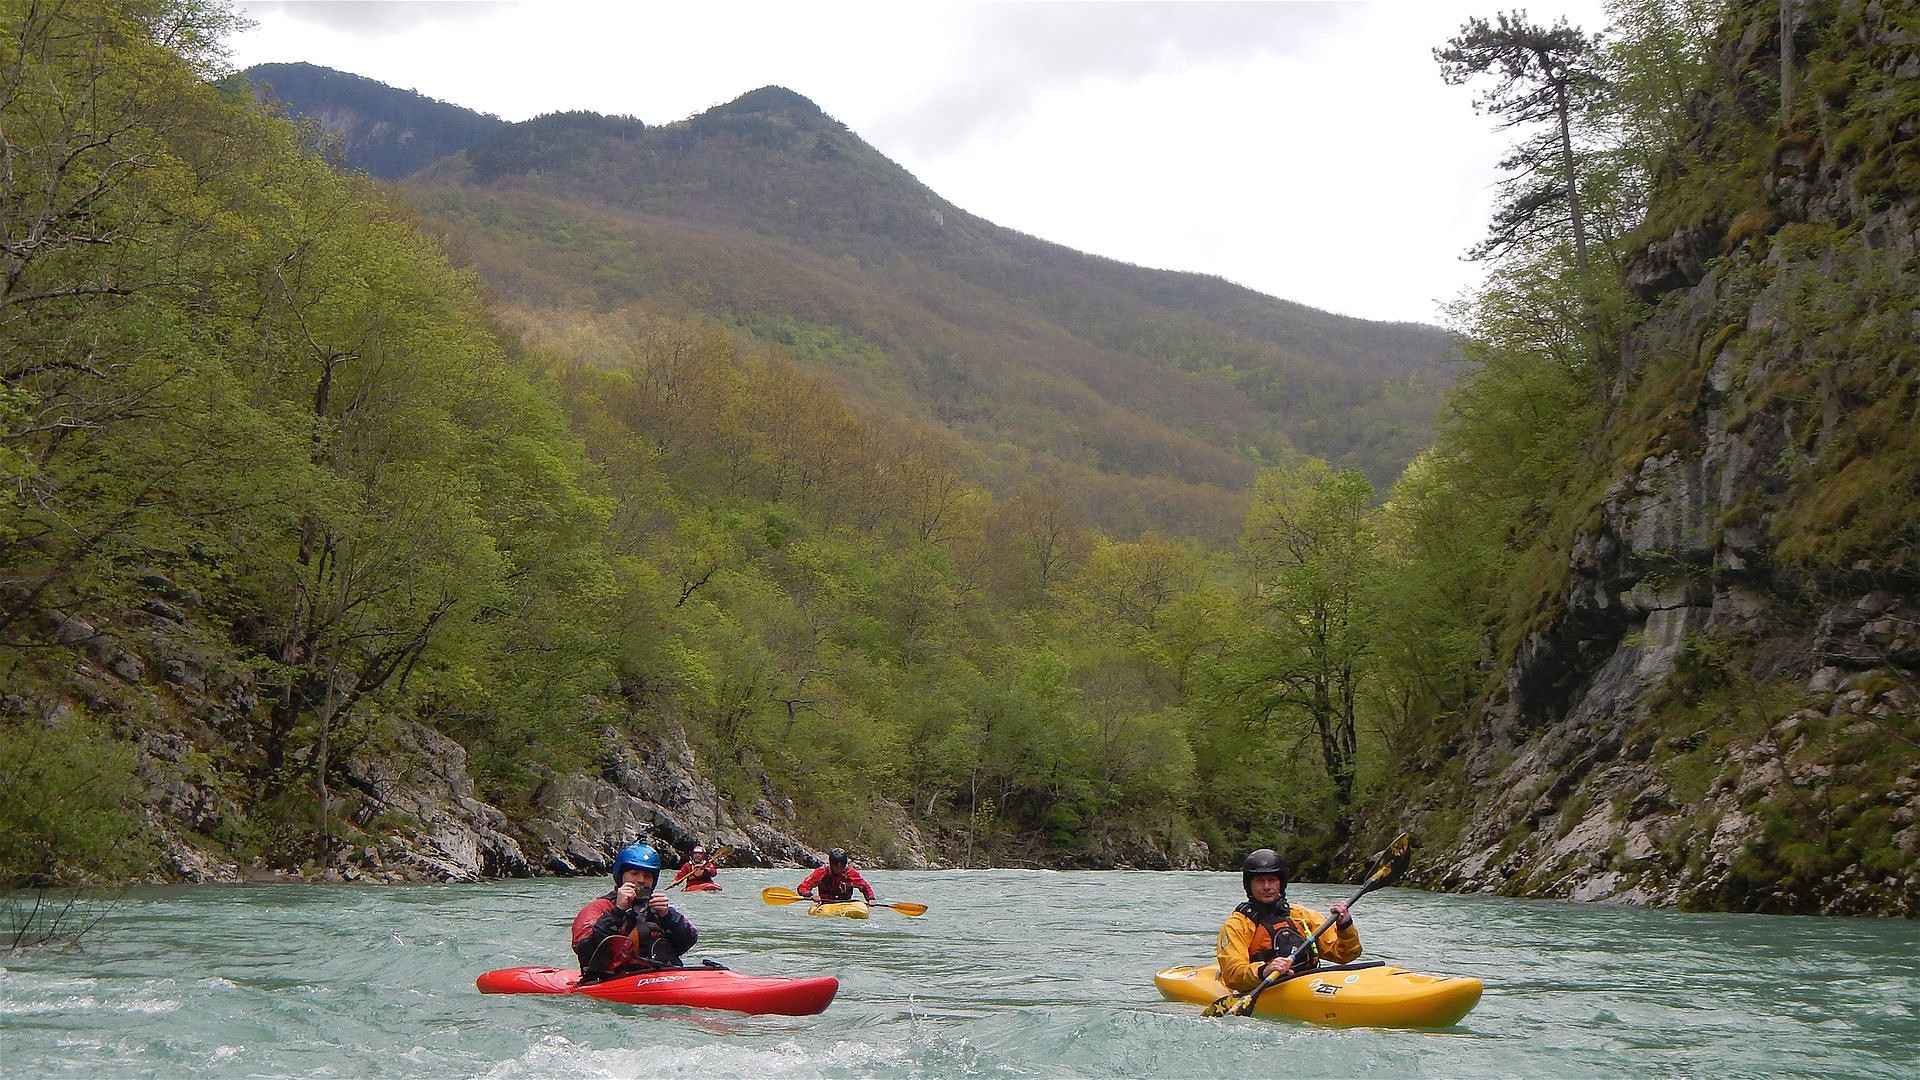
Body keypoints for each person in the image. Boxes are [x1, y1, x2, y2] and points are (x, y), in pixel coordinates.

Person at [1215, 847, 1360, 992]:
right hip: (1264, 990)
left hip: (1308, 984)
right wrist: (1264, 970)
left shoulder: (1302, 915)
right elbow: (1233, 975)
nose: (1267, 886)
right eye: (1260, 881)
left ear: (1281, 883)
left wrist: (1344, 925)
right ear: (1249, 885)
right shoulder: (1236, 925)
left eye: (1272, 880)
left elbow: (1345, 955)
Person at [571, 843, 697, 983]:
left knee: (650, 929)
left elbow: (687, 942)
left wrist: (668, 917)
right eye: (634, 873)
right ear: (621, 876)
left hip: (658, 978)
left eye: (647, 876)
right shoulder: (598, 908)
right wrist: (617, 912)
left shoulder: (657, 909)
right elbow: (583, 948)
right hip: (610, 980)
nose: (641, 880)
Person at [796, 848, 875, 904]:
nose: (838, 869)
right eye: (835, 866)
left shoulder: (851, 873)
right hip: (825, 904)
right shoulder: (821, 872)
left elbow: (865, 886)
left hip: (845, 903)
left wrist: (871, 898)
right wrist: (811, 896)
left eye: (841, 866)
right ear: (831, 864)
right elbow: (802, 887)